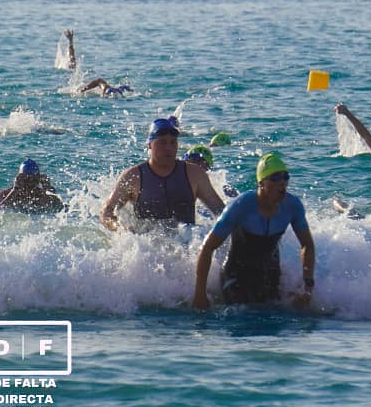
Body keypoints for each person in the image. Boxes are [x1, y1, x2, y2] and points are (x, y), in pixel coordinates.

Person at [193, 153, 315, 309]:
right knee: (244, 314)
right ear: (261, 183)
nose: (282, 182)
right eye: (275, 178)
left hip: (270, 275)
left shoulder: (293, 206)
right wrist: (200, 294)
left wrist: (307, 288)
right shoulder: (240, 206)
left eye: (285, 177)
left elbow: (307, 245)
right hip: (236, 276)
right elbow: (207, 247)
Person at [100, 118, 225, 231]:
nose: (168, 148)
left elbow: (222, 212)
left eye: (173, 142)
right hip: (147, 245)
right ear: (150, 145)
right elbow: (107, 212)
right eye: (162, 142)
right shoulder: (133, 177)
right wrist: (119, 229)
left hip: (188, 243)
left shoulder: (195, 174)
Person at [0, 159, 64, 213]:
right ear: (19, 180)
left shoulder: (44, 197)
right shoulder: (4, 195)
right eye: (25, 179)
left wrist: (46, 189)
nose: (29, 184)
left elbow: (60, 208)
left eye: (33, 180)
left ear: (38, 180)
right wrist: (15, 189)